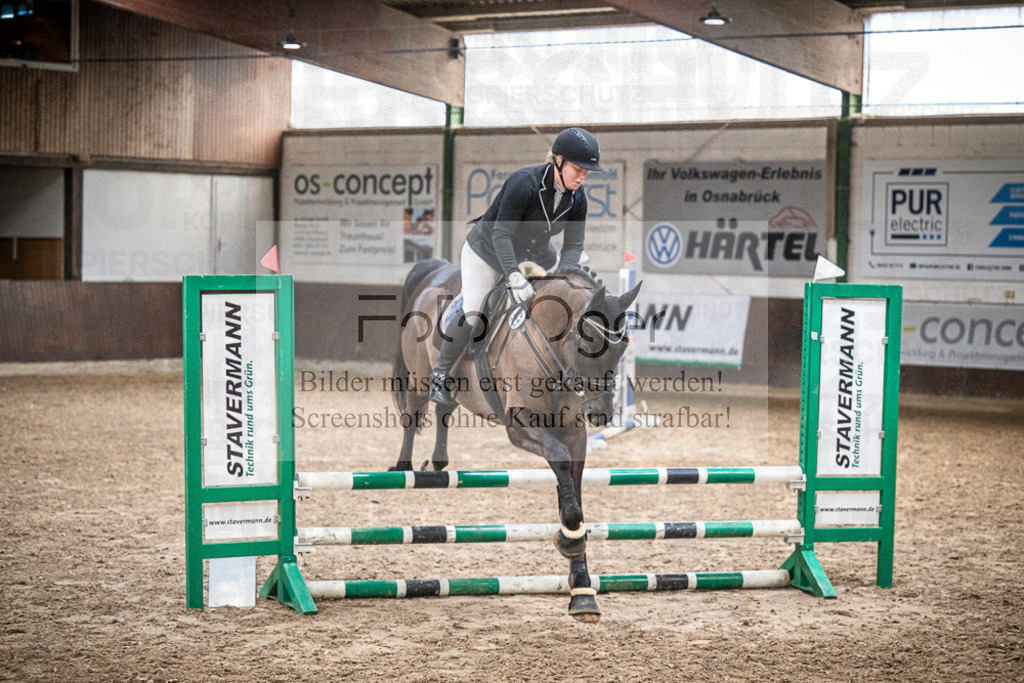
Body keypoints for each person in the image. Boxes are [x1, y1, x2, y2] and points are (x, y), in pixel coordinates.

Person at [428, 127, 602, 404]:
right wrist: (512, 276)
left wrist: (565, 280)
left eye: (587, 171)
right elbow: (501, 234)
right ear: (558, 160)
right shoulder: (524, 182)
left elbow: (573, 247)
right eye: (578, 168)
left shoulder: (578, 198)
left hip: (536, 255)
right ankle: (439, 375)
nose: (583, 176)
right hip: (488, 251)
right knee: (474, 311)